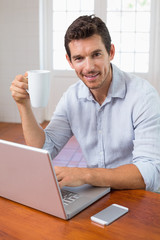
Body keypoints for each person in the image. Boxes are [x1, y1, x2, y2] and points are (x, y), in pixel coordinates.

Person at [10, 15, 160, 192]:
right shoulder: (72, 97)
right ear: (70, 61)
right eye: (79, 58)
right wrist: (23, 105)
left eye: (96, 55)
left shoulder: (143, 96)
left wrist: (85, 175)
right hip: (97, 194)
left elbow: (151, 171)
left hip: (138, 196)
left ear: (110, 52)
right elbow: (44, 149)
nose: (88, 67)